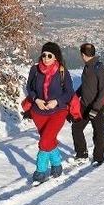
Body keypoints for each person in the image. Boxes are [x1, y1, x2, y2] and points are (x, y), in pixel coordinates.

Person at [26, 42, 74, 183]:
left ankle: (40, 171)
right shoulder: (35, 70)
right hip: (38, 112)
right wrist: (36, 99)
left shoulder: (62, 71)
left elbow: (69, 92)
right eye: (44, 55)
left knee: (44, 141)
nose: (45, 58)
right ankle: (57, 165)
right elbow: (29, 88)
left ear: (55, 57)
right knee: (49, 140)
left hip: (58, 111)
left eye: (49, 55)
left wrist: (57, 101)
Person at [72, 43, 104, 165]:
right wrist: (75, 95)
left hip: (99, 107)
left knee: (98, 132)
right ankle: (82, 153)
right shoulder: (87, 67)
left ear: (83, 55)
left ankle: (98, 158)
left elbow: (103, 91)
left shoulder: (100, 68)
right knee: (76, 128)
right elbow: (85, 85)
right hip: (85, 105)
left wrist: (95, 108)